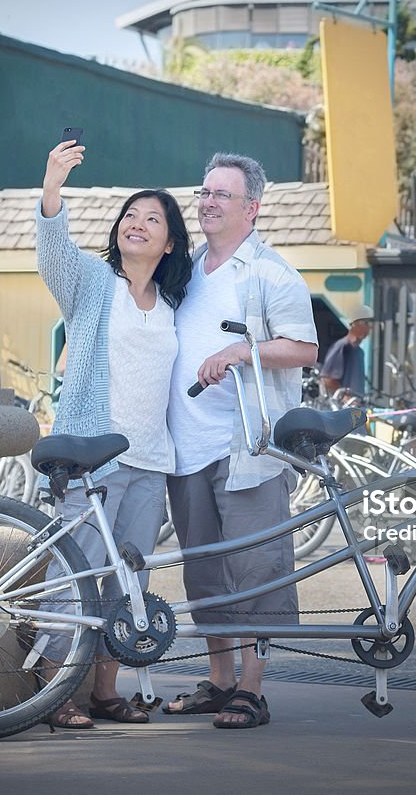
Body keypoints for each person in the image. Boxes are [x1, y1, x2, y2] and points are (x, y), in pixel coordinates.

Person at [34, 138, 193, 728]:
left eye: (153, 219)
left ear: (169, 241)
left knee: (130, 582)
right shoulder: (93, 283)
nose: (138, 223)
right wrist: (53, 184)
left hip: (151, 460)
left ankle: (104, 690)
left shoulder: (176, 302)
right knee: (74, 573)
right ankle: (51, 692)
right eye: (131, 214)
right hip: (92, 457)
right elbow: (53, 253)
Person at [165, 153, 319, 729]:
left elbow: (304, 349)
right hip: (186, 448)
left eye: (222, 195)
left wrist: (240, 351)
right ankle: (219, 681)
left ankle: (252, 691)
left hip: (247, 451)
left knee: (258, 572)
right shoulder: (184, 270)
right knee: (203, 575)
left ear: (251, 208)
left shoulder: (271, 273)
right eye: (204, 192)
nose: (207, 202)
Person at [320, 304, 374, 399]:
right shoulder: (342, 346)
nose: (370, 328)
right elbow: (327, 379)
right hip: (341, 410)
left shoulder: (359, 351)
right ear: (355, 323)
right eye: (366, 323)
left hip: (356, 408)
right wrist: (345, 398)